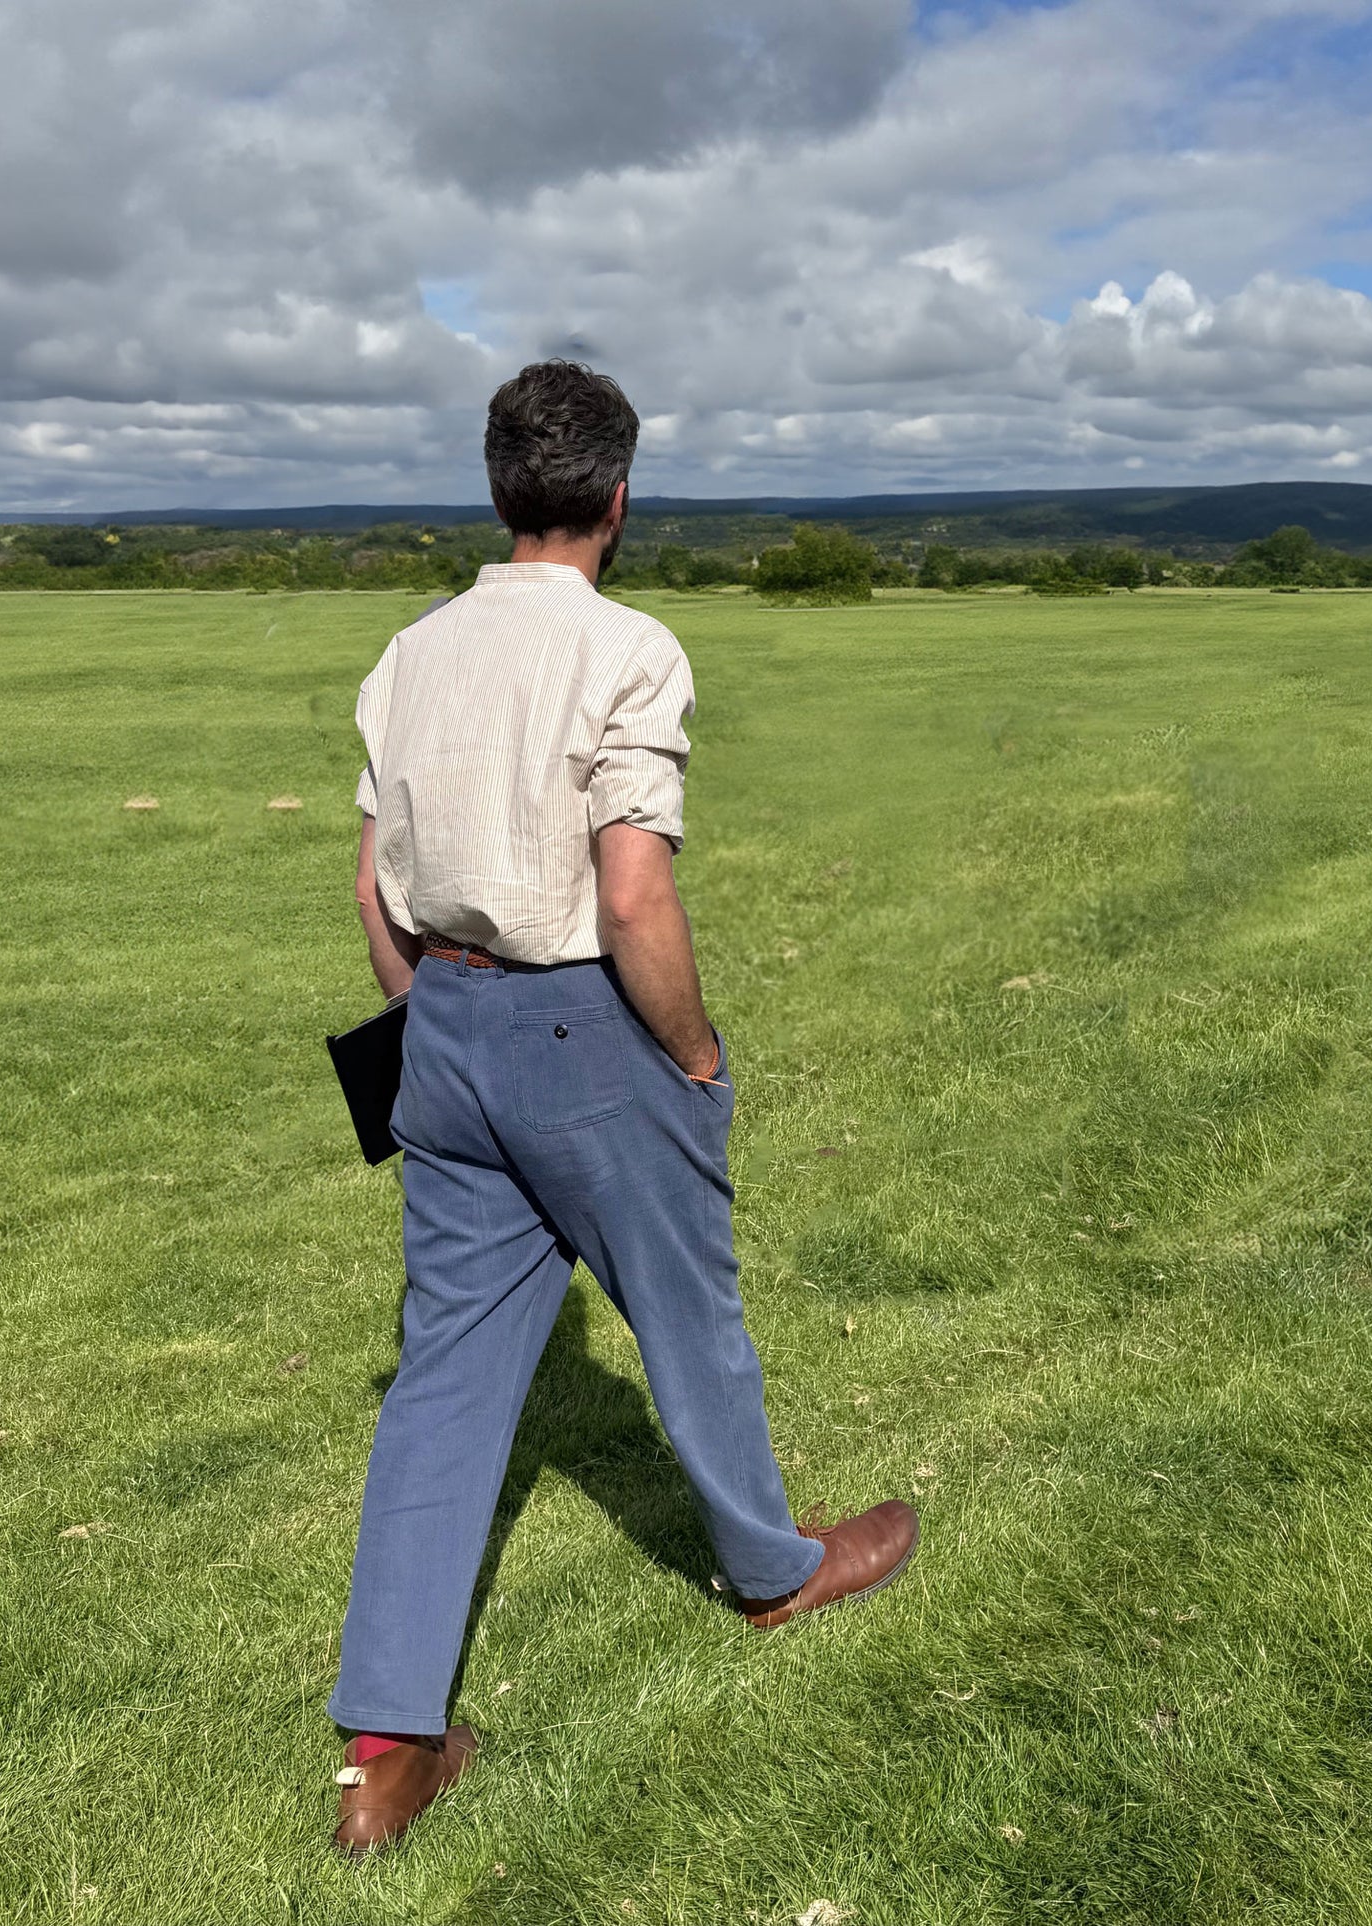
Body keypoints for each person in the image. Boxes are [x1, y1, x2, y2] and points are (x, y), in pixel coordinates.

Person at [329, 360, 918, 1856]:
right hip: (581, 1020)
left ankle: (386, 1746)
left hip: (441, 1020)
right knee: (688, 1309)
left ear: (499, 488)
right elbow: (632, 885)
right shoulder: (630, 647)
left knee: (444, 1380)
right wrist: (697, 1053)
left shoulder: (409, 650)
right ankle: (773, 1569)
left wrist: (431, 1026)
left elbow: (370, 883)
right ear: (615, 497)